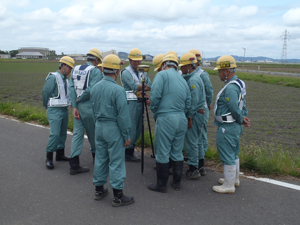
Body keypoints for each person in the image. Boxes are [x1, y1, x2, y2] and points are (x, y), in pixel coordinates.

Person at [91, 54, 134, 207]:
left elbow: (93, 109)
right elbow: (123, 116)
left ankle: (99, 189)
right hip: (113, 128)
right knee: (116, 160)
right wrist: (127, 134)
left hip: (99, 127)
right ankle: (118, 196)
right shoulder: (118, 90)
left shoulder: (95, 87)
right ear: (116, 71)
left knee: (101, 158)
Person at [148, 54, 191, 192]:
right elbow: (188, 102)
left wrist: (154, 111)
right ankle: (176, 183)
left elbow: (154, 97)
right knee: (177, 151)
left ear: (164, 64)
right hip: (181, 119)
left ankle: (161, 185)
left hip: (166, 118)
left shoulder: (162, 75)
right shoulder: (182, 79)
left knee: (163, 151)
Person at [212, 55, 250, 194]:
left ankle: (229, 185)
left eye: (219, 71)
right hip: (235, 125)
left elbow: (234, 107)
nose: (218, 74)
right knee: (234, 153)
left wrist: (240, 118)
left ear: (226, 71)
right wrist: (242, 118)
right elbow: (242, 105)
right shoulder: (239, 84)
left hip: (228, 126)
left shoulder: (230, 88)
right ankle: (234, 179)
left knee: (227, 153)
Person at [68, 48, 103, 175]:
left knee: (77, 134)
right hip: (89, 107)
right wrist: (81, 98)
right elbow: (92, 89)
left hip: (77, 108)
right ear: (97, 60)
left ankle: (74, 164)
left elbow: (71, 88)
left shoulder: (75, 69)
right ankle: (96, 159)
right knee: (93, 134)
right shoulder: (95, 71)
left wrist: (75, 105)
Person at [42, 56, 75, 170]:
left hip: (64, 110)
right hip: (54, 110)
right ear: (63, 66)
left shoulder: (66, 79)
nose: (70, 70)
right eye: (69, 68)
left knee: (62, 134)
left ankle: (60, 155)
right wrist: (46, 106)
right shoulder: (53, 77)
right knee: (55, 134)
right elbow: (45, 92)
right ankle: (49, 157)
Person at [121, 48, 152, 162]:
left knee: (138, 127)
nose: (137, 63)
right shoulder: (125, 72)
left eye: (138, 60)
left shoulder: (142, 71)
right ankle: (127, 152)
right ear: (130, 59)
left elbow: (148, 84)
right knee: (131, 127)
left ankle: (131, 150)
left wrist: (142, 86)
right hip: (130, 102)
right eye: (134, 60)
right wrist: (143, 87)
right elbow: (134, 86)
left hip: (140, 101)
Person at [180, 52, 206, 179]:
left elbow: (194, 101)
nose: (181, 69)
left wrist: (189, 117)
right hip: (199, 114)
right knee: (198, 141)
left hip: (194, 115)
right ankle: (201, 166)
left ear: (188, 66)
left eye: (182, 66)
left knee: (192, 141)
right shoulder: (195, 77)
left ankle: (193, 168)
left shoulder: (193, 80)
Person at [189, 49, 213, 176]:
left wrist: (208, 104)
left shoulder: (202, 74)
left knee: (200, 135)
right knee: (198, 135)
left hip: (201, 109)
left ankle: (200, 163)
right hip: (199, 108)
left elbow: (209, 91)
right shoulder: (196, 74)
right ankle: (199, 162)